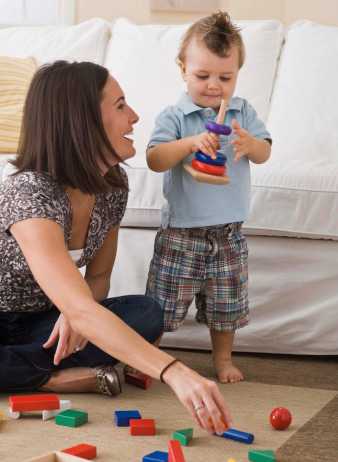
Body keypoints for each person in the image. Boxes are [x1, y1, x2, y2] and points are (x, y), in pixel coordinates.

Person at [0, 60, 231, 434]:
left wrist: (76, 311)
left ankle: (20, 371)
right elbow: (80, 306)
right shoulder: (29, 193)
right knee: (96, 321)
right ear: (83, 119)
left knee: (145, 313)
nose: (136, 116)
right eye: (121, 105)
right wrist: (175, 372)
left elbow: (100, 276)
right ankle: (52, 379)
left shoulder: (111, 184)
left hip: (42, 323)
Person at [146, 11, 272, 384]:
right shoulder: (175, 116)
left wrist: (251, 144)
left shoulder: (242, 112)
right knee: (163, 305)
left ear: (237, 74)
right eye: (203, 76)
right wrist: (188, 143)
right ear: (183, 69)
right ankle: (149, 358)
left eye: (225, 77)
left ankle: (222, 359)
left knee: (226, 306)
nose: (214, 86)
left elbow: (265, 151)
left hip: (229, 233)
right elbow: (154, 159)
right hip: (182, 233)